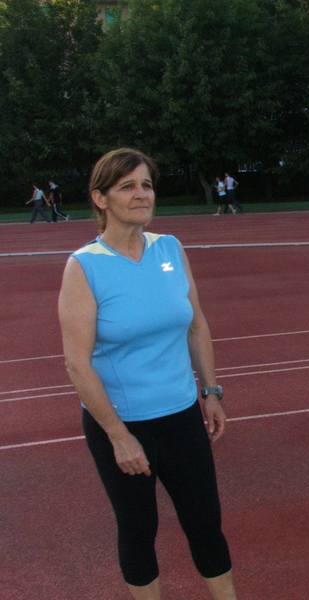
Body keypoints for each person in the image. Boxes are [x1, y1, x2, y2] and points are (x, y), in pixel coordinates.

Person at [58, 148, 238, 600]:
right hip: (122, 424)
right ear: (100, 199)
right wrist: (119, 435)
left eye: (147, 184)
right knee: (139, 529)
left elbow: (195, 323)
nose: (142, 194)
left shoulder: (171, 248)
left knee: (205, 522)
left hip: (180, 416)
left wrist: (211, 392)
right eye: (128, 186)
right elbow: (77, 363)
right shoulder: (84, 266)